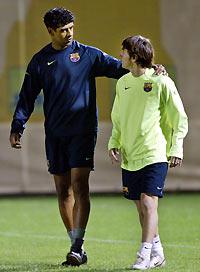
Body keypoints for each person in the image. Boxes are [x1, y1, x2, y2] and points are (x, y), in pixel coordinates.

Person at [9, 7, 166, 267]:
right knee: (62, 190)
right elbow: (27, 96)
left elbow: (124, 69)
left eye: (71, 28)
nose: (69, 33)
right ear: (50, 31)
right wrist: (18, 125)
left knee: (80, 185)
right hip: (55, 133)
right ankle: (76, 246)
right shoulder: (40, 61)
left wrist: (152, 68)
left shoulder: (88, 55)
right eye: (63, 30)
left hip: (83, 131)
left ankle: (77, 246)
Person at [108, 36, 188, 270]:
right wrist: (115, 141)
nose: (119, 56)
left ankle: (143, 255)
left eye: (122, 52)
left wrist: (177, 147)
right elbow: (118, 117)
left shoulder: (162, 82)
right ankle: (157, 251)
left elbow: (179, 118)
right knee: (139, 206)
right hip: (131, 156)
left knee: (148, 202)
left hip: (155, 153)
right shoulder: (122, 83)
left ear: (134, 56)